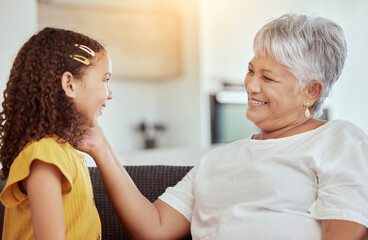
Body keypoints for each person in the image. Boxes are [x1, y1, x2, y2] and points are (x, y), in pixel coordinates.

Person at [79, 14, 368, 239]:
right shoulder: (216, 160)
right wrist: (99, 146)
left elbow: (347, 230)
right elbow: (153, 227)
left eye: (268, 78)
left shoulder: (339, 139)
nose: (251, 86)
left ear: (311, 91)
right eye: (251, 70)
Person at [0, 27, 113, 239]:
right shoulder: (44, 155)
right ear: (70, 84)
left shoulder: (63, 152)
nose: (110, 93)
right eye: (105, 80)